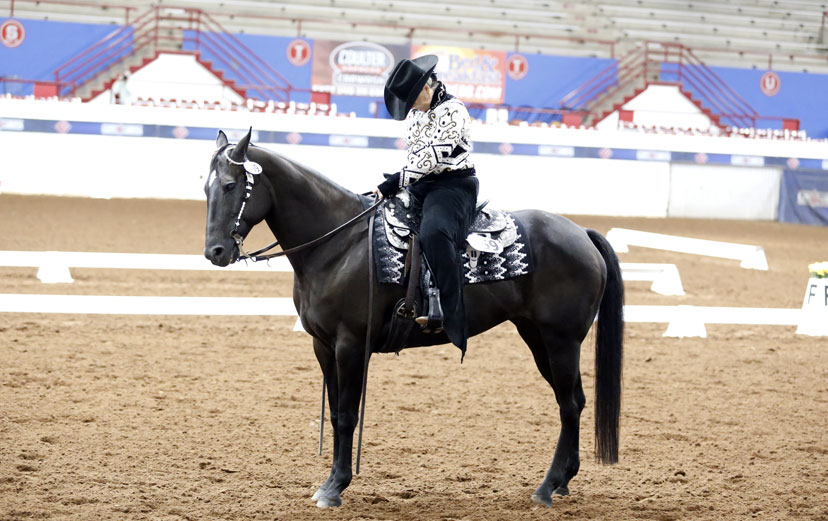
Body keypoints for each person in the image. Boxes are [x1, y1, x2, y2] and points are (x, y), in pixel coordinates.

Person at [377, 54, 478, 355]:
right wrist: (400, 182)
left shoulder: (455, 111)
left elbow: (432, 157)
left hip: (453, 185)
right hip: (420, 184)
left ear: (426, 87)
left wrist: (394, 182)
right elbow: (415, 157)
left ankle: (449, 309)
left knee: (434, 232)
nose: (410, 108)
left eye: (412, 101)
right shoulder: (416, 114)